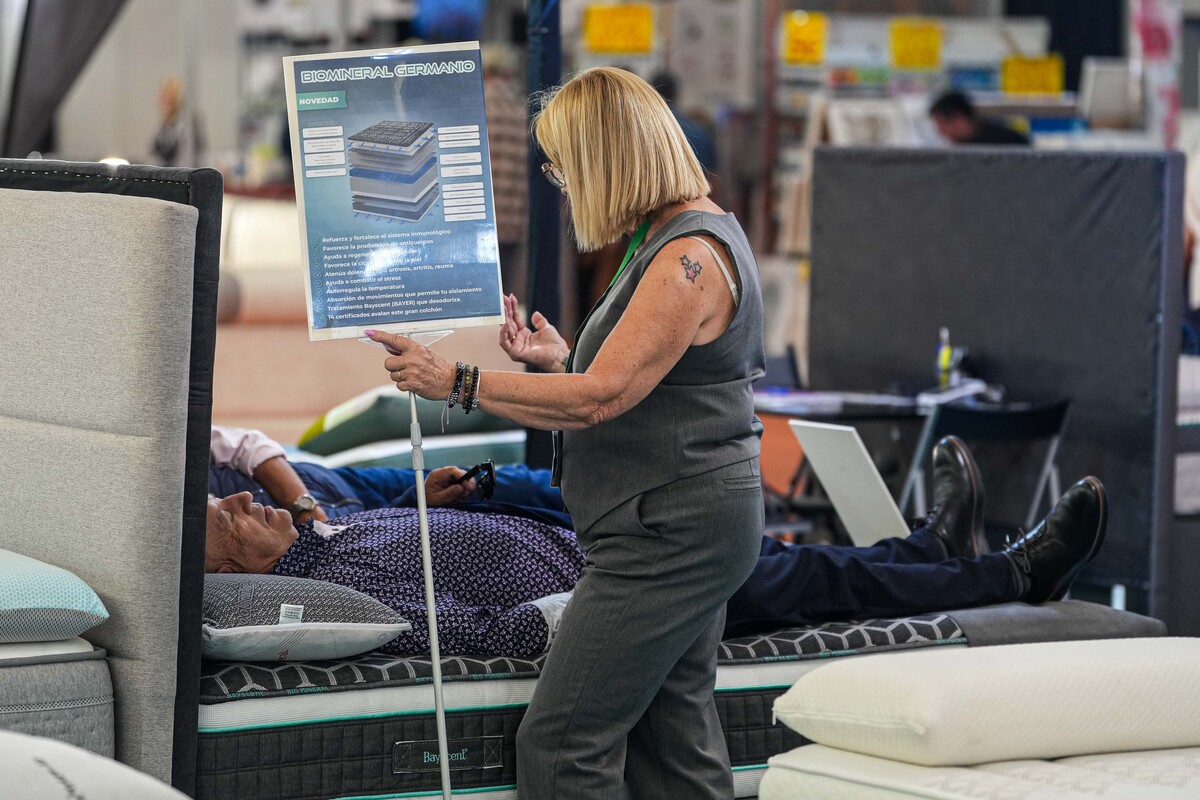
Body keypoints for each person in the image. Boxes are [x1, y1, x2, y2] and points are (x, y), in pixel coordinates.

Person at [364, 65, 766, 799]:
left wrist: (457, 380)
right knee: (672, 736)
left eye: (563, 164)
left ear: (606, 157)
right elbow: (646, 378)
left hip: (668, 535)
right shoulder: (675, 237)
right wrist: (562, 357)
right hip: (675, 521)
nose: (562, 180)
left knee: (562, 743)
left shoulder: (687, 257)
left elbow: (601, 399)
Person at [209, 429, 1108, 644]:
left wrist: (435, 501)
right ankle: (1009, 575)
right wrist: (595, 602)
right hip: (610, 590)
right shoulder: (331, 591)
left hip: (590, 542)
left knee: (781, 565)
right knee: (789, 587)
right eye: (230, 515)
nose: (244, 501)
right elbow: (479, 634)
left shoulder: (328, 530)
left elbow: (257, 454)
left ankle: (929, 552)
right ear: (224, 568)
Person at [929, 90, 1031, 146]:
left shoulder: (1009, 144)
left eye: (942, 124)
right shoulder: (961, 147)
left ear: (960, 120)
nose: (940, 132)